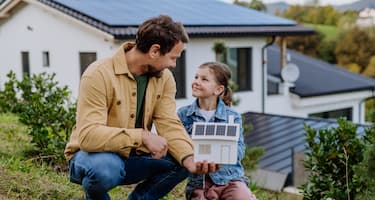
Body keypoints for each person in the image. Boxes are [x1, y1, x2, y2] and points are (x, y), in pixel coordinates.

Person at [64, 15, 219, 200]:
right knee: (105, 169)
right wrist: (142, 136)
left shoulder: (164, 78)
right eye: (172, 58)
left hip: (133, 158)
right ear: (155, 51)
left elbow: (169, 123)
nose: (173, 64)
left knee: (181, 160)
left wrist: (189, 157)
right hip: (92, 158)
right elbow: (88, 136)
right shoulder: (98, 74)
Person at [177, 62, 257, 200]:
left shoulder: (232, 116)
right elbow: (179, 145)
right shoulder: (183, 114)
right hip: (200, 183)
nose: (196, 82)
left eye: (204, 79)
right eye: (196, 77)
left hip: (230, 179)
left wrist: (221, 151)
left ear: (218, 90)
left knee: (241, 196)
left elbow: (239, 150)